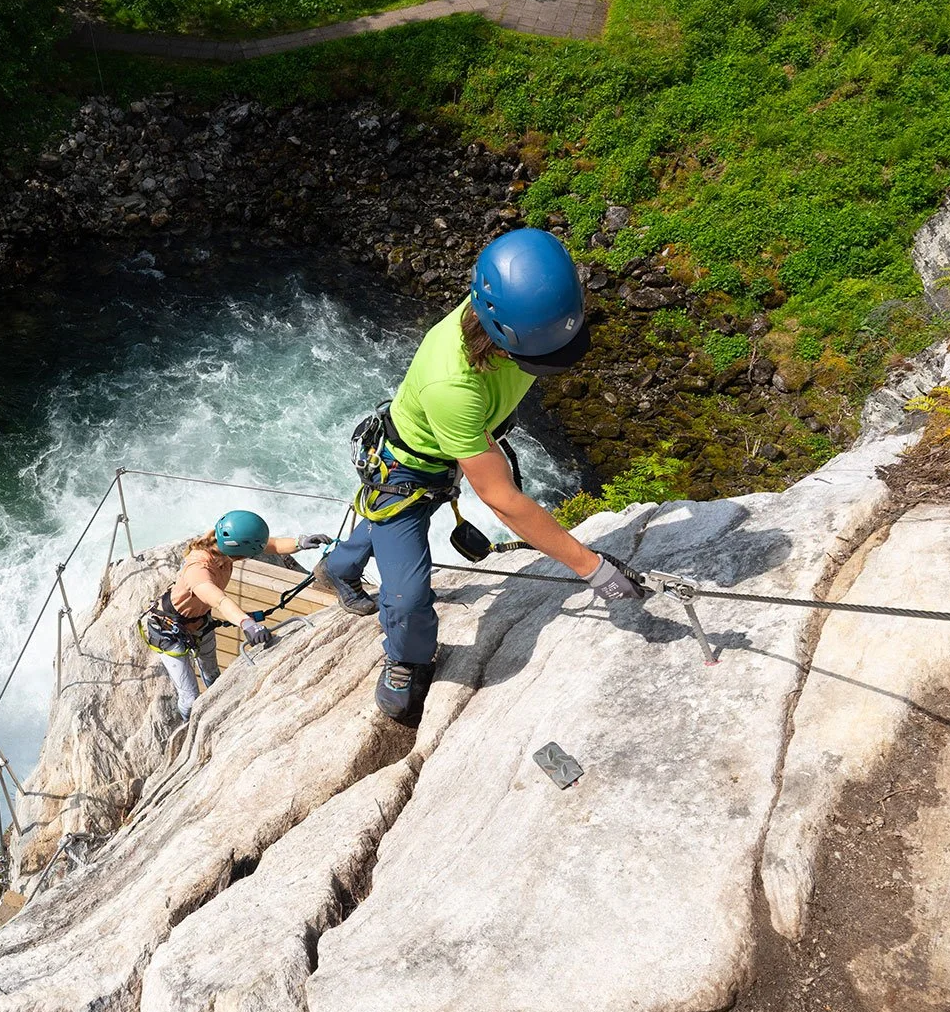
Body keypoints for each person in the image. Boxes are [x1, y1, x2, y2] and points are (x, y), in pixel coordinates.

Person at [315, 228, 650, 723]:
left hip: (449, 448)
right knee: (407, 597)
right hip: (407, 470)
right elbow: (499, 498)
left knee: (386, 524)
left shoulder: (520, 306)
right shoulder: (452, 382)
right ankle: (407, 658)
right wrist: (591, 567)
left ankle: (336, 569)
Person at [140, 510, 333, 719]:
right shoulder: (198, 568)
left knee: (214, 676)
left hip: (199, 622)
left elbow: (272, 545)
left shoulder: (223, 546)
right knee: (190, 699)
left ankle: (215, 709)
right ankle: (188, 725)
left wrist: (300, 542)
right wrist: (247, 623)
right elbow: (219, 600)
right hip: (168, 631)